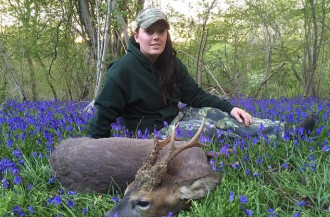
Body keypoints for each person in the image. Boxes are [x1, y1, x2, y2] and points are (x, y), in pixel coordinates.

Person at [87, 8, 315, 141]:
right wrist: (94, 150)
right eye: (149, 32)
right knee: (207, 129)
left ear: (167, 34)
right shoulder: (122, 70)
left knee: (216, 114)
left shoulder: (171, 64)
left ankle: (286, 130)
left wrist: (229, 108)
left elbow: (195, 95)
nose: (156, 37)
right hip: (152, 135)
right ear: (137, 36)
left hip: (176, 118)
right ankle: (273, 136)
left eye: (161, 31)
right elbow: (103, 116)